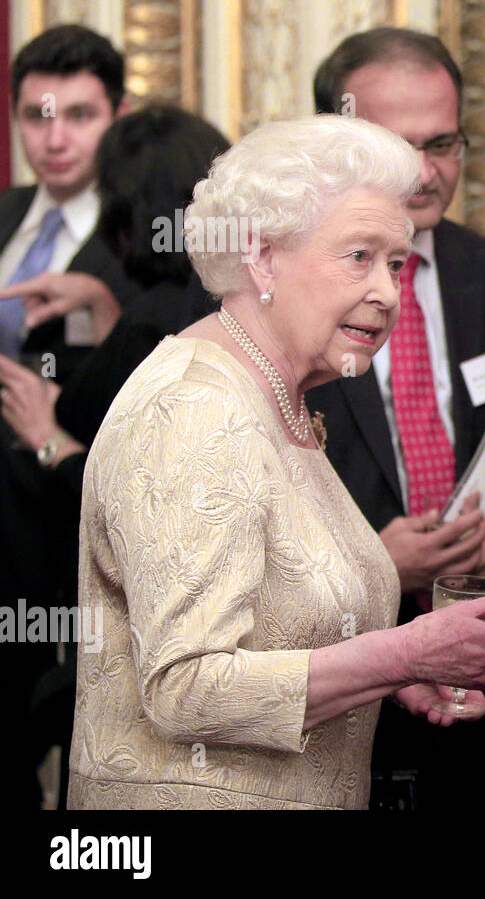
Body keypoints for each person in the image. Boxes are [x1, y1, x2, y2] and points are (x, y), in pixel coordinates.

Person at [68, 116, 485, 810]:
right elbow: (185, 689)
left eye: (396, 264)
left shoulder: (276, 398)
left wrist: (386, 677)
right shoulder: (198, 409)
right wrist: (402, 656)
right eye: (358, 257)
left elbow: (279, 624)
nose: (389, 293)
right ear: (260, 256)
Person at [309, 28, 485, 810]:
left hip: (483, 685)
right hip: (339, 691)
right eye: (395, 144)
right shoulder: (288, 289)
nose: (424, 170)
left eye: (442, 142)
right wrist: (374, 564)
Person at [0, 105, 228, 809]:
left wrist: (48, 438)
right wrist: (106, 310)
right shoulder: (225, 301)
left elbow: (123, 495)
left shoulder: (153, 324)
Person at [0, 24, 135, 365]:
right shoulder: (4, 209)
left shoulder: (147, 238)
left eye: (79, 116)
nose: (55, 141)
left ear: (120, 117)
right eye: (37, 117)